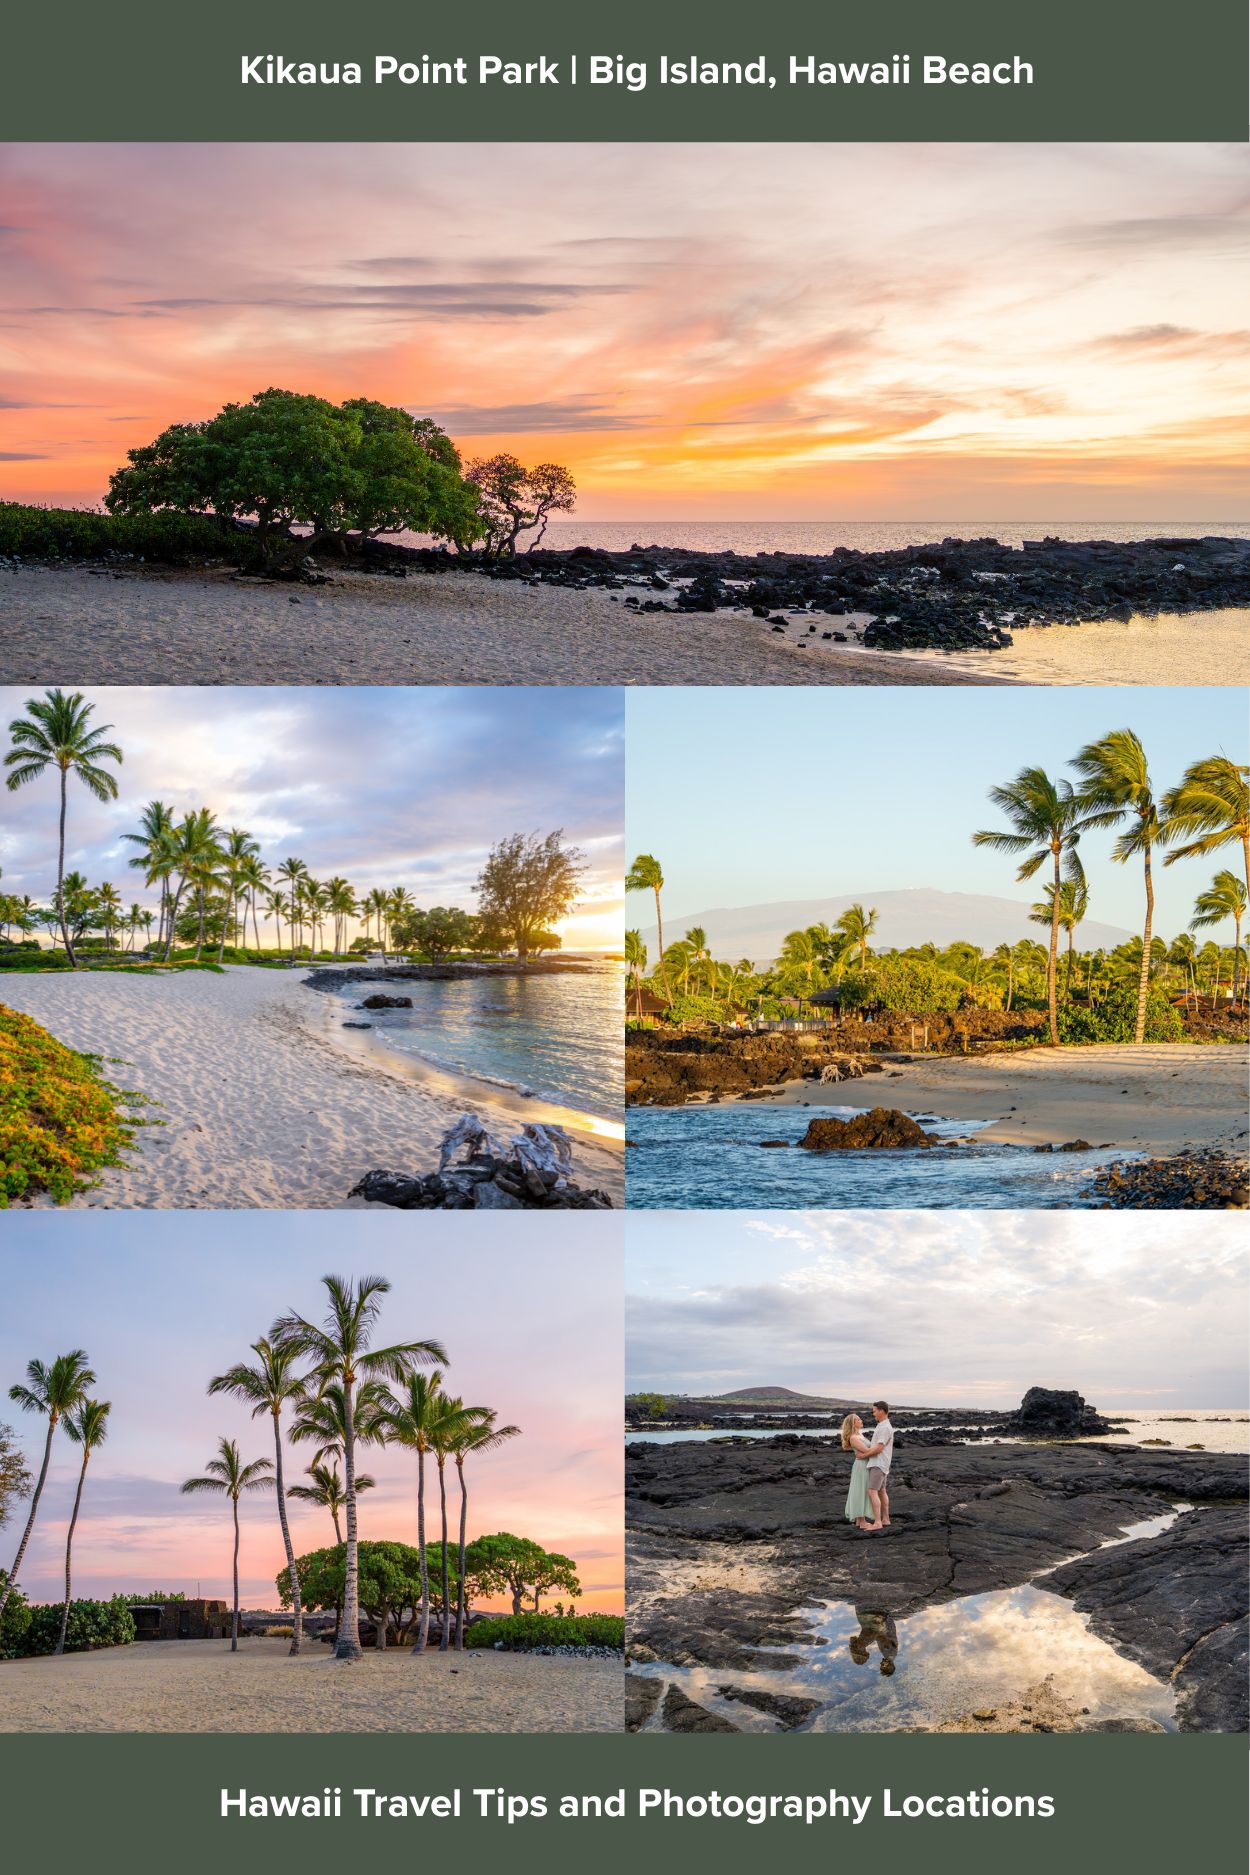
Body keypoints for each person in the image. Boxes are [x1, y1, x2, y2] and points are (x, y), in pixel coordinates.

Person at [859, 1400, 895, 1531]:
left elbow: (879, 1448)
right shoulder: (882, 1425)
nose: (873, 1413)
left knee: (872, 1491)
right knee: (881, 1491)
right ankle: (885, 1519)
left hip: (878, 1463)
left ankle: (878, 1522)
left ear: (881, 1410)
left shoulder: (885, 1427)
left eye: (874, 1411)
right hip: (882, 1463)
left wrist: (864, 1455)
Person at [840, 1413, 875, 1529]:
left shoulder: (860, 1434)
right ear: (853, 1423)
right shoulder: (853, 1438)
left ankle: (860, 1521)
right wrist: (880, 1448)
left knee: (864, 1491)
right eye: (858, 1419)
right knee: (860, 1491)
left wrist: (865, 1454)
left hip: (865, 1463)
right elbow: (866, 1450)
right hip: (861, 1466)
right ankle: (862, 1520)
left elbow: (866, 1453)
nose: (861, 1420)